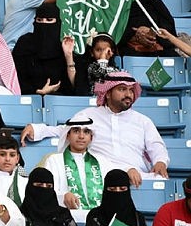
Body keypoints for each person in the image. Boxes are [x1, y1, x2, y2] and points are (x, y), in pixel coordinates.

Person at [21, 71, 169, 184]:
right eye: (122, 89)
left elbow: (156, 145)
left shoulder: (143, 121)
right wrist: (37, 129)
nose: (128, 94)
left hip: (137, 176)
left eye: (131, 90)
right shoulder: (89, 115)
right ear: (108, 93)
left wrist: (160, 161)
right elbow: (64, 130)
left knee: (161, 182)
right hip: (100, 175)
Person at [13, 3, 73, 96]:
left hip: (60, 99)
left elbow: (75, 86)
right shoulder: (25, 44)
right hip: (28, 98)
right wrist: (38, 92)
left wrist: (68, 56)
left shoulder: (64, 45)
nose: (44, 23)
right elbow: (17, 76)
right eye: (39, 20)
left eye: (49, 20)